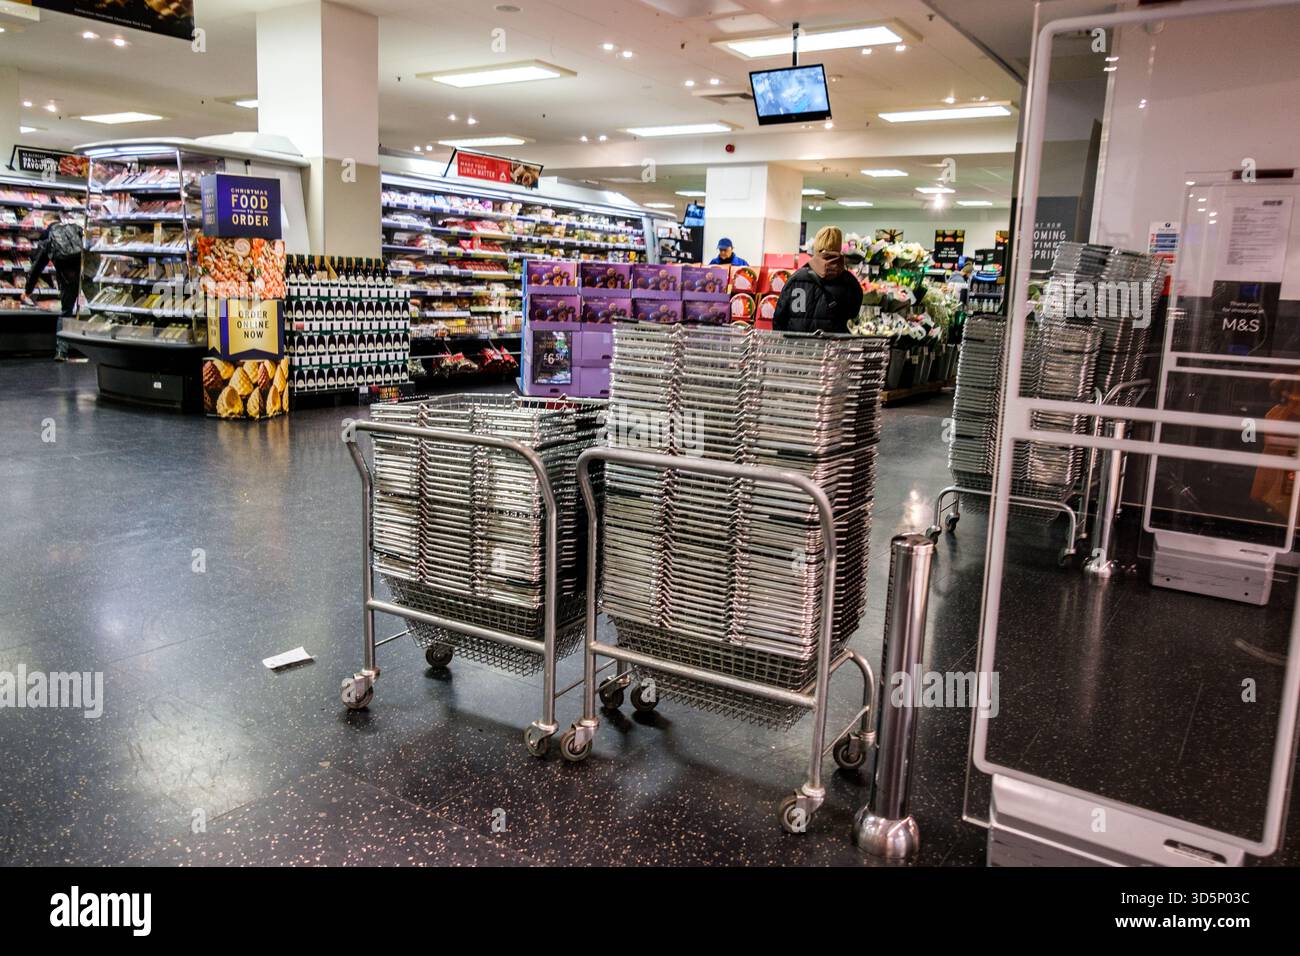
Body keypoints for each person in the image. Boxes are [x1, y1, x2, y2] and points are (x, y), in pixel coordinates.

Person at [772, 225, 863, 334]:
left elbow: (779, 319)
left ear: (817, 245)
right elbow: (853, 319)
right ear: (839, 247)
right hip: (833, 348)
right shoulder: (850, 283)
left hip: (797, 347)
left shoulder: (796, 279)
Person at [21, 216, 84, 361]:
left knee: (66, 311)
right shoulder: (75, 228)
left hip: (67, 277)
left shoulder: (48, 236)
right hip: (86, 272)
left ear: (46, 223)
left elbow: (37, 266)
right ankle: (101, 345)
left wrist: (28, 290)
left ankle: (61, 352)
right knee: (96, 307)